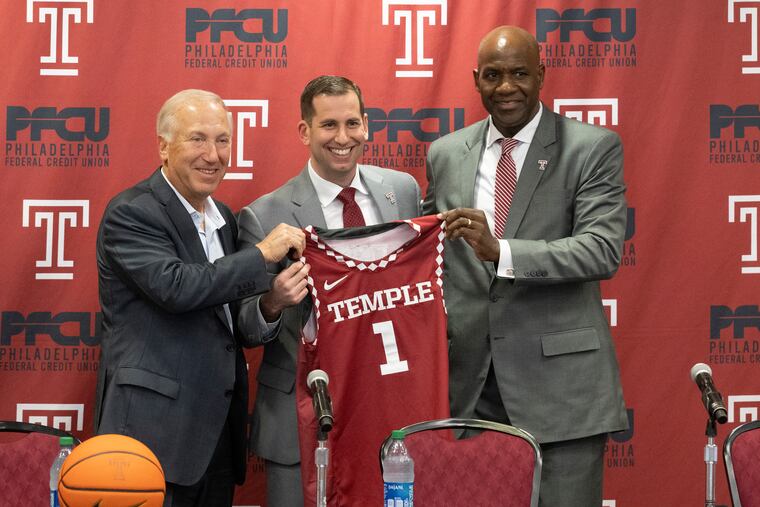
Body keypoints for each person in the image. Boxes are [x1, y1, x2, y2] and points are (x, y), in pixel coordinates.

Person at [422, 26, 628, 507]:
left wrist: (502, 252)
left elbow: (601, 249)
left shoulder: (591, 147)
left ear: (541, 74)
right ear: (476, 79)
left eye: (519, 73)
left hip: (561, 393)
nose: (506, 87)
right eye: (493, 75)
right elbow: (430, 257)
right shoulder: (445, 153)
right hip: (471, 392)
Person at [94, 89, 305, 507]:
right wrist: (261, 254)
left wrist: (272, 303)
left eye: (223, 140)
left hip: (215, 438)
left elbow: (226, 321)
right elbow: (177, 288)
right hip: (152, 437)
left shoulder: (224, 217)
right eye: (198, 139)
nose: (213, 154)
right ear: (163, 146)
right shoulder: (131, 212)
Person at [237, 75, 421, 506]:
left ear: (367, 125)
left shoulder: (403, 192)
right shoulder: (264, 215)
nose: (343, 138)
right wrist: (273, 302)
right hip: (301, 418)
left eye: (352, 123)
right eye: (329, 125)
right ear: (305, 131)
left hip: (387, 408)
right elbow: (245, 325)